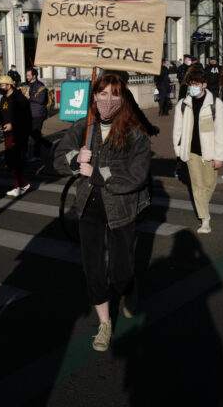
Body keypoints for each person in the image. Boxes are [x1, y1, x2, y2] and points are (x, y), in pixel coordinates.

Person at [54, 72, 151, 352]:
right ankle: (105, 323)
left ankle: (129, 291)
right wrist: (75, 158)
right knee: (93, 270)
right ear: (94, 95)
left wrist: (99, 173)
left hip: (121, 208)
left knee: (121, 272)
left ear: (123, 98)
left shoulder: (134, 131)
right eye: (103, 93)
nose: (108, 100)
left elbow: (136, 174)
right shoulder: (83, 127)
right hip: (88, 208)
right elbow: (58, 158)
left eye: (115, 94)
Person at [173, 66, 223, 234]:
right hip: (191, 152)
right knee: (198, 186)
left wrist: (220, 156)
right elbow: (177, 129)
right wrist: (179, 151)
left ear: (204, 84)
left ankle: (203, 208)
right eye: (191, 83)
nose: (193, 87)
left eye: (196, 83)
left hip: (210, 153)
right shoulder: (183, 105)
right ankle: (205, 219)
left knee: (209, 185)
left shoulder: (216, 105)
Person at [0, 75, 31, 197]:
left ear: (9, 85)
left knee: (14, 161)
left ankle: (20, 185)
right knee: (10, 161)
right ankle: (22, 184)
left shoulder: (19, 98)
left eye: (2, 85)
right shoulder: (3, 99)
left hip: (17, 134)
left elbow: (25, 118)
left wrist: (13, 125)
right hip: (7, 133)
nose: (0, 87)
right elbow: (2, 114)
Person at [24, 67, 53, 161]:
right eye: (26, 75)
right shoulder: (30, 85)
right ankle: (49, 145)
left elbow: (41, 100)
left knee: (35, 135)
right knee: (34, 134)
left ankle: (36, 156)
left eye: (28, 75)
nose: (26, 77)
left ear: (34, 76)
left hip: (39, 114)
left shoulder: (40, 86)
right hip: (31, 114)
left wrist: (29, 97)